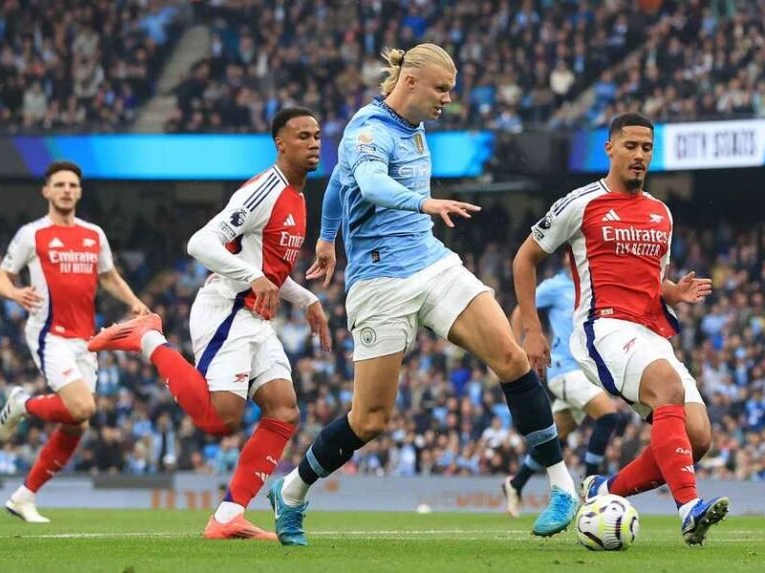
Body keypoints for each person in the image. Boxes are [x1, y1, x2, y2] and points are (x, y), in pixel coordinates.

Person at [268, 44, 578, 547]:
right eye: (441, 88)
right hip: (379, 282)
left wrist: (326, 237)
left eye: (450, 90)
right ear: (409, 82)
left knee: (511, 357)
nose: (447, 99)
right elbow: (365, 181)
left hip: (432, 262)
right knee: (370, 419)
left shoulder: (414, 129)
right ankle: (294, 490)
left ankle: (561, 486)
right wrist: (423, 202)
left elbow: (337, 184)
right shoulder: (368, 129)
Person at [88, 108, 331, 541]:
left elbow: (270, 270)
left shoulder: (297, 196)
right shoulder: (264, 190)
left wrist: (306, 298)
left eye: (316, 136)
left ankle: (227, 517)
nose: (314, 143)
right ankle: (148, 337)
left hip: (256, 317)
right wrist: (251, 278)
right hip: (227, 310)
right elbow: (200, 242)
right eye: (303, 136)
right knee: (221, 421)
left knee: (284, 409)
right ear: (280, 143)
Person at [513, 112, 729, 546]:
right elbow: (524, 258)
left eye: (647, 148)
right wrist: (533, 332)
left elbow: (651, 280)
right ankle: (689, 509)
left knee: (699, 437)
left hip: (652, 333)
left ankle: (601, 491)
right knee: (667, 386)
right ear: (609, 148)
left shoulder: (661, 213)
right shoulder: (581, 203)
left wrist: (673, 293)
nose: (639, 155)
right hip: (603, 328)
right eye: (630, 146)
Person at [0, 160, 150, 523]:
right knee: (82, 408)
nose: (67, 190)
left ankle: (23, 497)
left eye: (73, 185)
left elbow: (109, 276)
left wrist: (133, 302)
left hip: (86, 339)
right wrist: (15, 293)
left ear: (79, 192)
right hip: (50, 334)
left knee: (77, 423)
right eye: (60, 184)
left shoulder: (93, 234)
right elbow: (0, 278)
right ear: (46, 191)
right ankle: (23, 403)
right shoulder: (32, 234)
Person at [503, 252, 619, 517]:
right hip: (565, 371)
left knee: (554, 436)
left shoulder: (595, 286)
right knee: (608, 416)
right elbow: (522, 308)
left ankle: (515, 483)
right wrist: (517, 343)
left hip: (587, 374)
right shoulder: (555, 287)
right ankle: (591, 491)